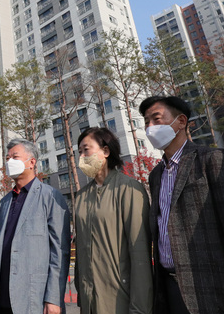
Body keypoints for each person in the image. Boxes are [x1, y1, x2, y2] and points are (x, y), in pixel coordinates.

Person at [141, 95, 224, 314]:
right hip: (171, 286)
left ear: (182, 121)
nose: (150, 128)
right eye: (146, 122)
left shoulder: (212, 160)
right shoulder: (156, 175)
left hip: (214, 287)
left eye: (156, 119)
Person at [0, 138, 71, 314]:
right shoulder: (5, 202)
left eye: (15, 157)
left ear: (31, 162)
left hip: (35, 298)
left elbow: (60, 252)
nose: (9, 162)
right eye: (7, 158)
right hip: (2, 297)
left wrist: (53, 298)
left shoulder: (50, 197)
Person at [73, 127, 153, 314]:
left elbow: (140, 252)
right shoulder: (81, 196)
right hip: (89, 300)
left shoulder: (130, 189)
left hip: (120, 299)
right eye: (79, 152)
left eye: (86, 149)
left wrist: (140, 308)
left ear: (106, 151)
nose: (82, 157)